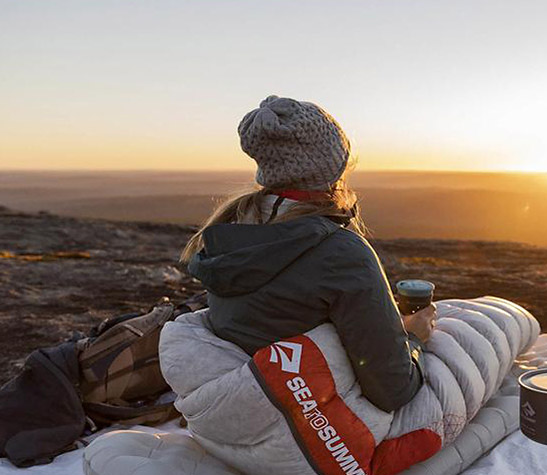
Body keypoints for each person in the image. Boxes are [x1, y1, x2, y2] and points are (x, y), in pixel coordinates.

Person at [179, 95, 434, 413]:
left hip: (244, 409)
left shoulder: (229, 231)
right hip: (311, 422)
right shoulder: (342, 254)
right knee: (486, 324)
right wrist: (413, 339)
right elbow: (394, 390)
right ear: (332, 169)